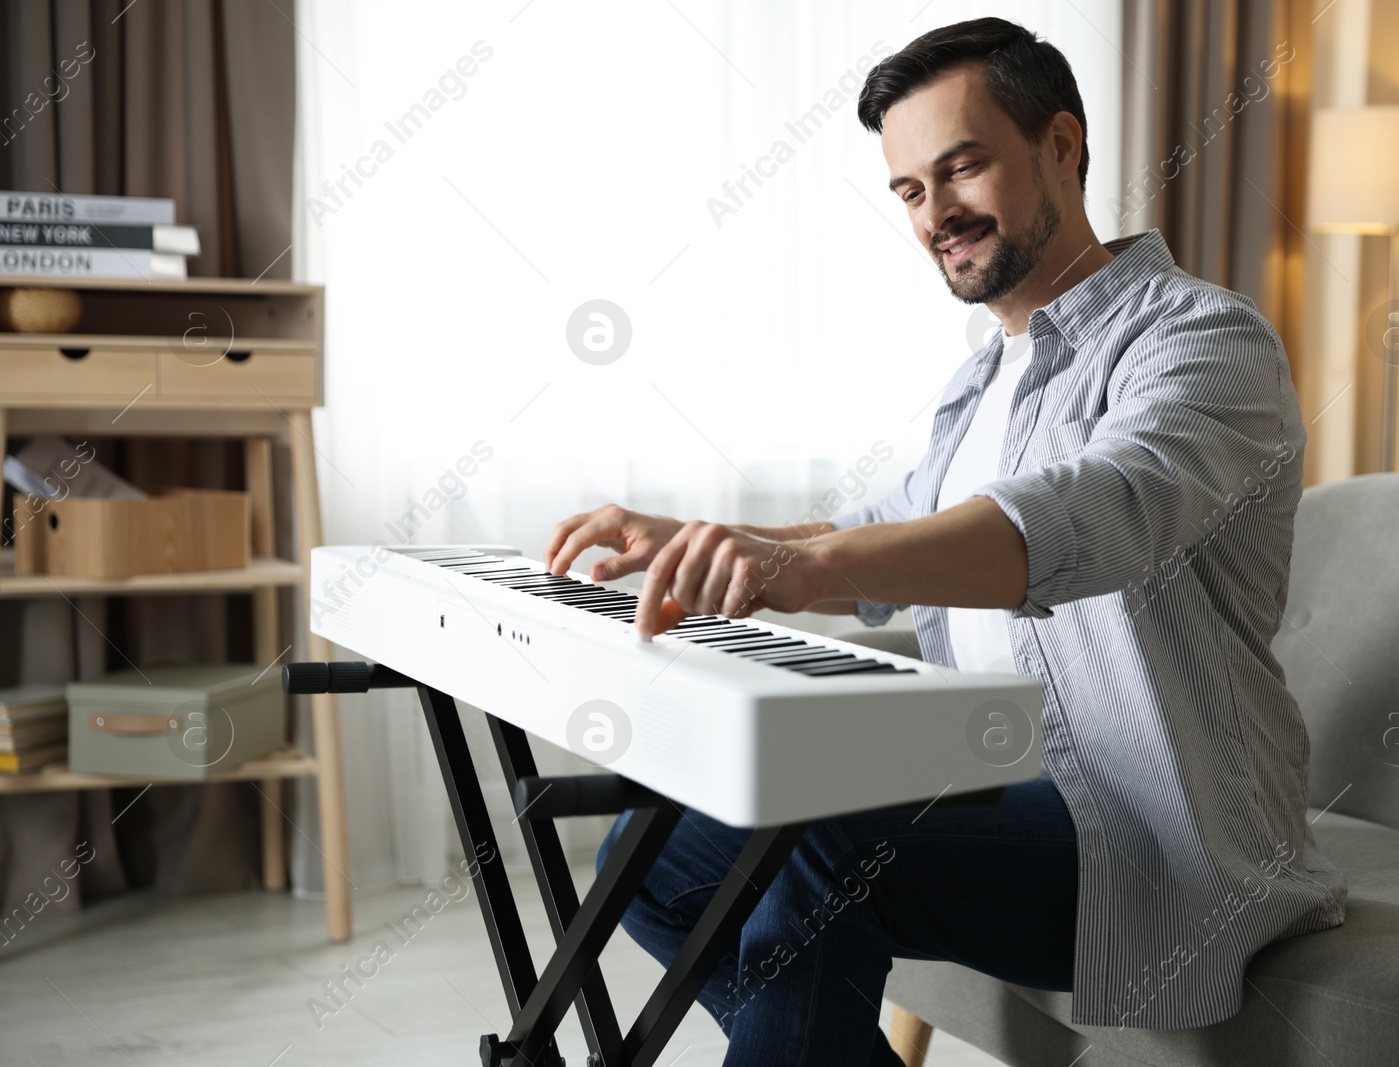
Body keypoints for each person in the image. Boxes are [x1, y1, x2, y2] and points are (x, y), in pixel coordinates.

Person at [543, 16, 1346, 1066]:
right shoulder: (980, 379)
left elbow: (1099, 509)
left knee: (824, 837)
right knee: (652, 857)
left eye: (961, 168)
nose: (936, 215)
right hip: (1003, 781)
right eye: (910, 191)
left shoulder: (1200, 337)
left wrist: (801, 565)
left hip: (1151, 827)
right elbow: (876, 532)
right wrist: (713, 538)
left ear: (1061, 145)